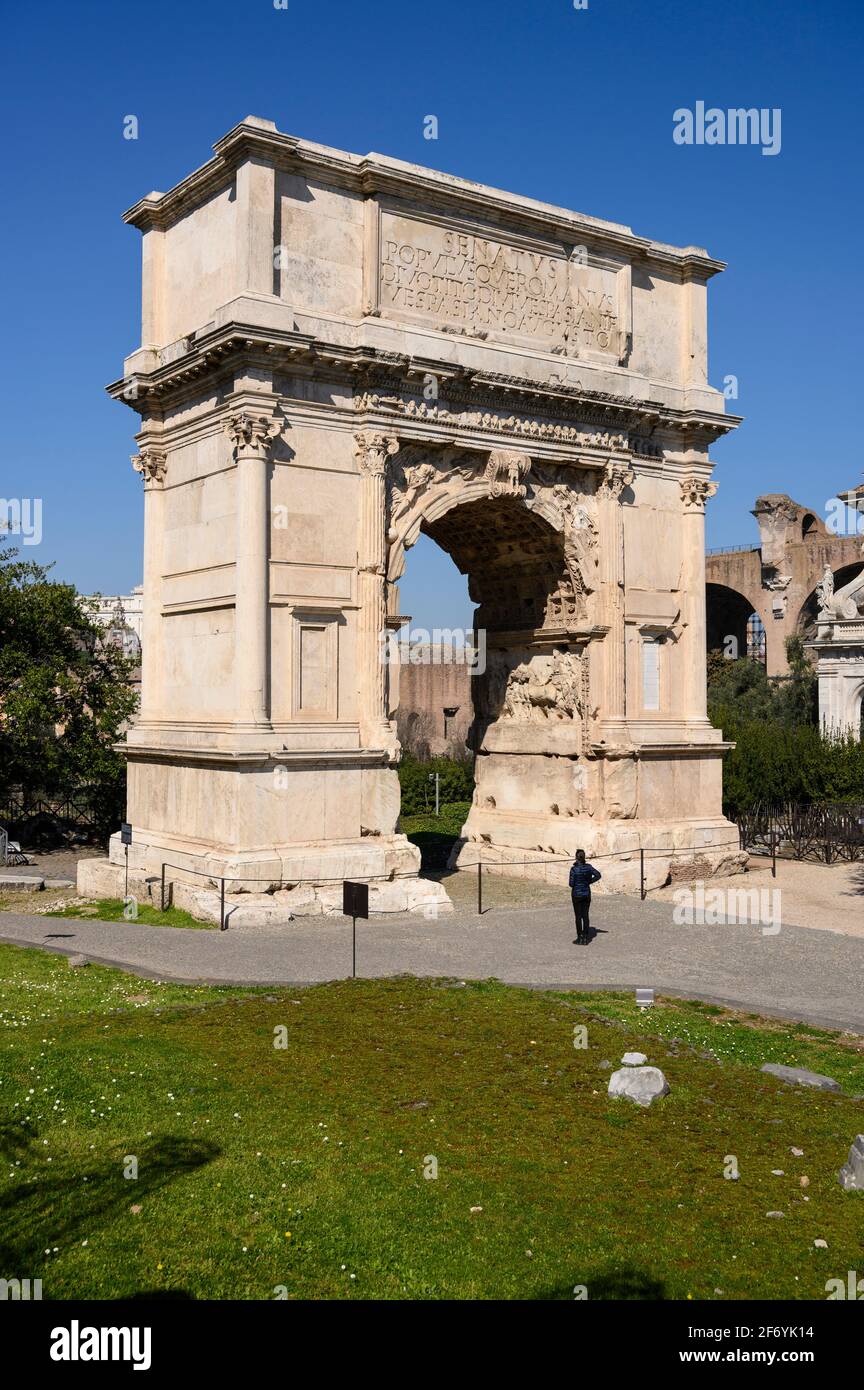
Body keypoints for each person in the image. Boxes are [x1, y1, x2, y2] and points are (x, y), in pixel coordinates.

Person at [569, 849, 601, 944]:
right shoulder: (588, 867)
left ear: (576, 857)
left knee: (578, 916)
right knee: (585, 915)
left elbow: (571, 884)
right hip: (586, 894)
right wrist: (588, 881)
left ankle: (580, 937)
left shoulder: (574, 869)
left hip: (577, 895)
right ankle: (586, 937)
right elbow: (598, 875)